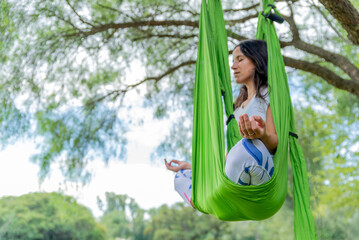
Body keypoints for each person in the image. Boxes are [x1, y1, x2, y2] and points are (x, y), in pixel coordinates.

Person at [165, 40, 278, 208]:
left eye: (240, 59)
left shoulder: (269, 94)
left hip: (260, 172)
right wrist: (190, 166)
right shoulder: (237, 108)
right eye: (233, 61)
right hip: (236, 169)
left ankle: (220, 196)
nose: (233, 67)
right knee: (181, 177)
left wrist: (261, 135)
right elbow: (229, 156)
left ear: (257, 60)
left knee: (246, 146)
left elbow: (275, 142)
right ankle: (213, 199)